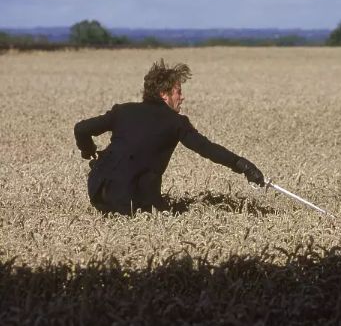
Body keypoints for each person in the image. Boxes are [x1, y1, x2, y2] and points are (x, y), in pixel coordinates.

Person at [74, 59, 265, 215]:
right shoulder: (176, 122)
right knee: (168, 214)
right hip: (131, 200)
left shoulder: (122, 111)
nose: (182, 98)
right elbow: (206, 149)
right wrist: (244, 166)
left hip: (98, 190)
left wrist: (88, 150)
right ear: (164, 94)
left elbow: (81, 129)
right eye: (178, 92)